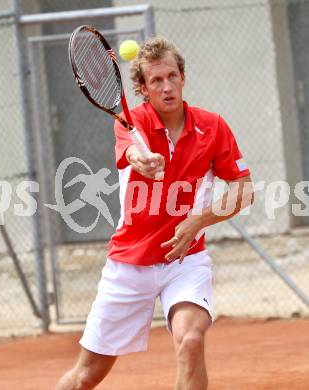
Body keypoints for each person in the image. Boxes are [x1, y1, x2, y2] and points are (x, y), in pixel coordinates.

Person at [56, 37, 254, 390]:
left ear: (182, 78)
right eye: (156, 81)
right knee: (85, 376)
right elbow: (132, 152)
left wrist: (198, 221)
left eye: (172, 76)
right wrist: (142, 162)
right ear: (143, 88)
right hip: (130, 263)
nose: (167, 87)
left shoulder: (212, 127)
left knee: (191, 342)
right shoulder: (132, 122)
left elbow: (244, 189)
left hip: (185, 262)